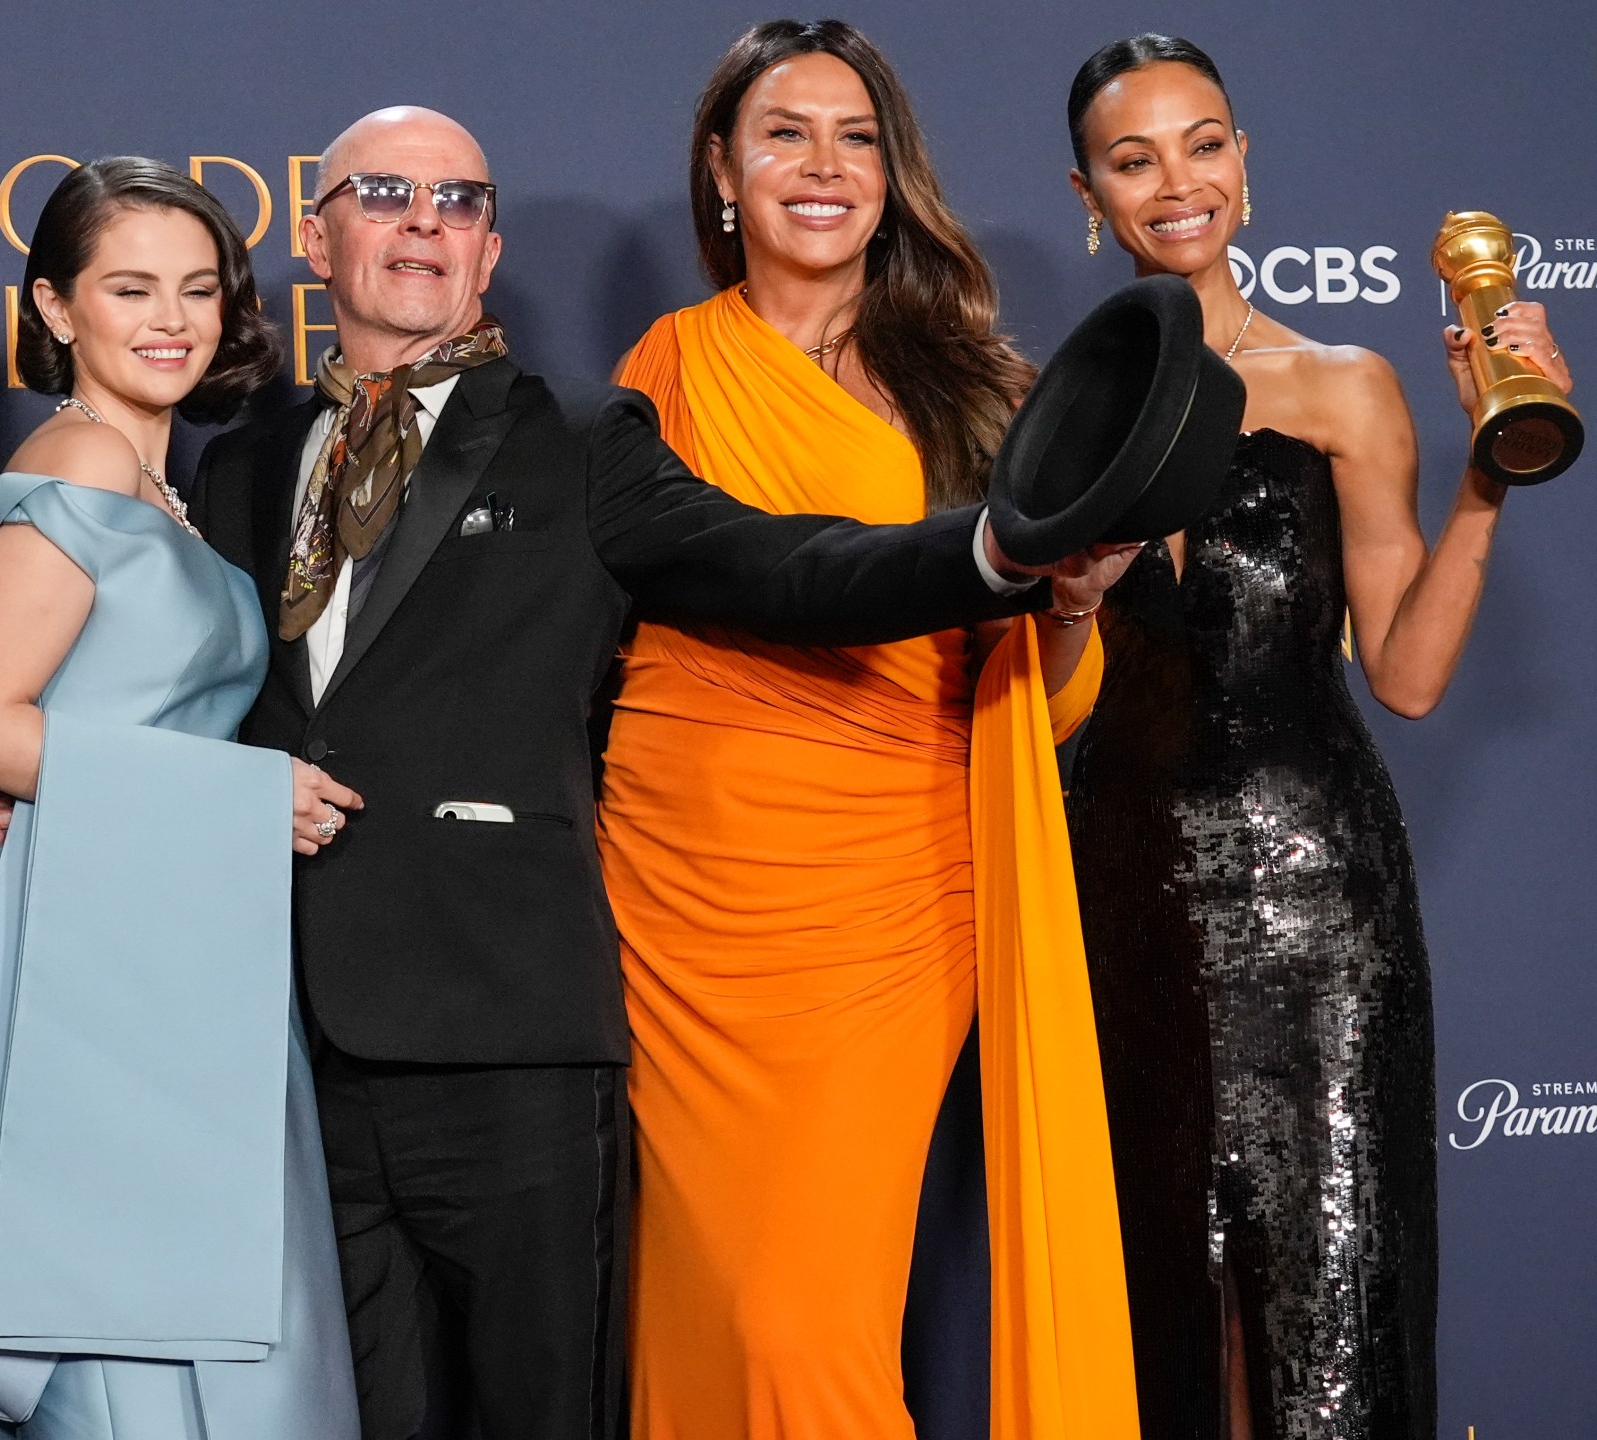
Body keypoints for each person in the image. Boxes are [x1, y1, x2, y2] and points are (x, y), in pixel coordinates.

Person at [0, 105, 1141, 1440]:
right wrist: (7, 795)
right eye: (386, 192)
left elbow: (788, 566)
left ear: (489, 249)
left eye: (457, 202)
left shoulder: (579, 438)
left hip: (509, 1046)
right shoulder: (237, 458)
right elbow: (135, 691)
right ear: (315, 230)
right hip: (276, 1054)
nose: (421, 223)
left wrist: (999, 557)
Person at [594, 20, 1142, 1438]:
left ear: (894, 174)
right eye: (786, 133)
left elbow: (1051, 700)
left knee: (798, 1318)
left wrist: (1073, 605)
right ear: (724, 168)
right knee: (700, 1304)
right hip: (679, 883)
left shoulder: (979, 387)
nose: (824, 167)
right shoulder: (667, 362)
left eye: (857, 138)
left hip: (891, 896)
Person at [1060, 34, 1571, 1440]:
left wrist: (1488, 480)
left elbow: (1405, 676)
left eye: (1205, 142)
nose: (1177, 181)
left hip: (1319, 910)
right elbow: (1040, 698)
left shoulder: (1344, 383)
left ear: (1244, 163)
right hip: (1122, 897)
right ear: (1089, 194)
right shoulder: (1049, 414)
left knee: (1328, 1315)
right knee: (1164, 1300)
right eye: (1134, 155)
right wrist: (1068, 606)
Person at [0, 155, 360, 1440]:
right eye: (130, 287)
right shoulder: (82, 465)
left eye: (197, 290)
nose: (171, 320)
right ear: (53, 308)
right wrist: (241, 796)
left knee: (192, 1311)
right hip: (83, 953)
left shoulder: (166, 488)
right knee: (120, 1327)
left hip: (168, 940)